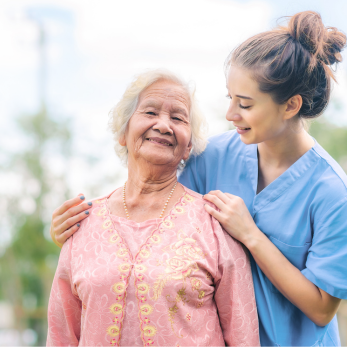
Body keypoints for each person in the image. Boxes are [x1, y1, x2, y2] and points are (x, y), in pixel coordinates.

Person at [50, 11, 347, 346]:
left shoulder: (332, 192)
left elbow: (323, 309)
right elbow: (155, 213)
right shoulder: (213, 157)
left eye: (245, 104)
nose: (231, 114)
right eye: (230, 98)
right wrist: (86, 238)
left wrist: (251, 235)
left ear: (291, 105)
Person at [46, 70, 260, 346]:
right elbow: (61, 335)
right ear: (123, 132)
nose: (163, 125)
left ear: (188, 146)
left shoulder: (215, 224)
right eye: (150, 112)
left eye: (178, 118)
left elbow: (243, 337)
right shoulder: (82, 224)